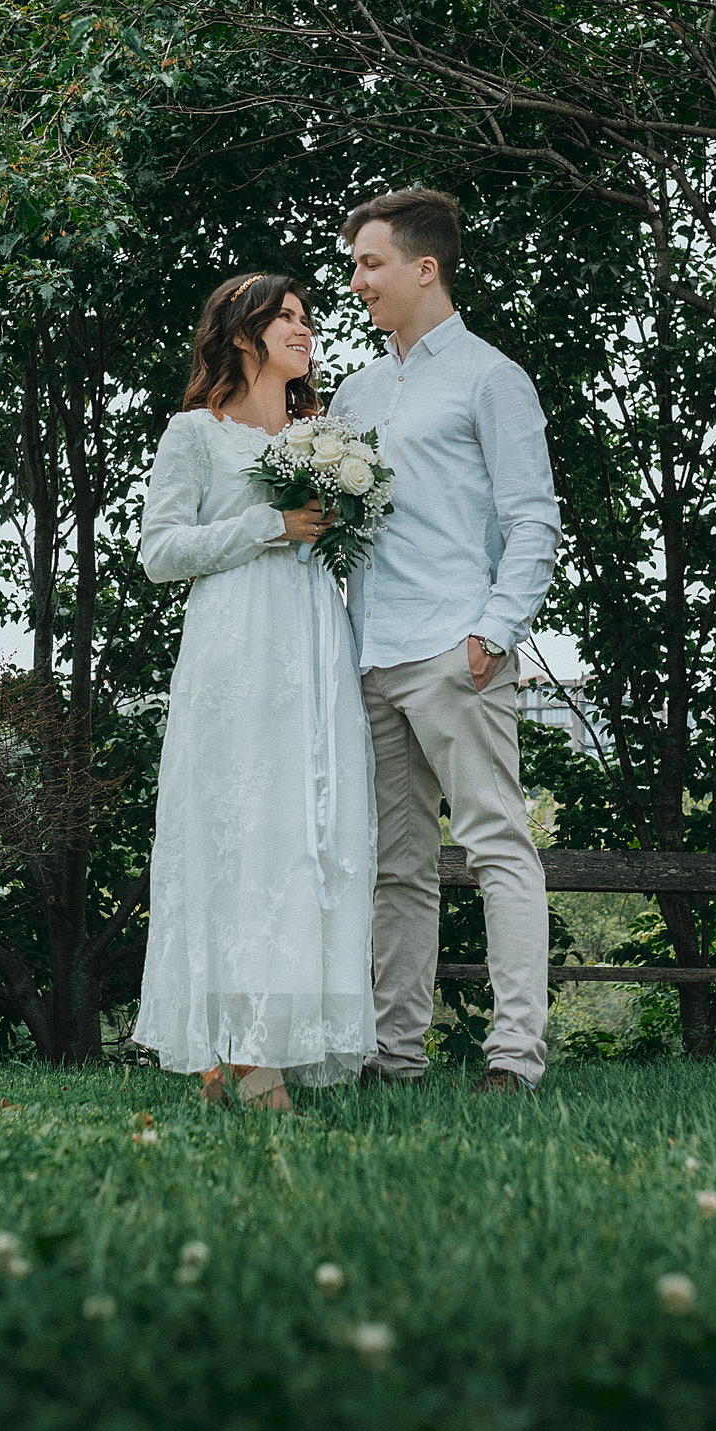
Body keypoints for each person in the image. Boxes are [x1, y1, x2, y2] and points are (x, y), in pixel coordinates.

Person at [331, 189, 562, 1096]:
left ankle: (514, 1058)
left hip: (454, 652)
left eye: (370, 265)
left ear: (425, 268)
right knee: (398, 868)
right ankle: (398, 1057)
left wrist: (494, 632)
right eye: (355, 265)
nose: (357, 283)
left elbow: (533, 520)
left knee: (499, 846)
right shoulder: (353, 392)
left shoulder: (490, 378)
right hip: (371, 655)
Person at [132, 273, 376, 1110]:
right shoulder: (194, 434)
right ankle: (239, 1055)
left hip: (312, 648)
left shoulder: (326, 434)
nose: (305, 330)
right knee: (238, 837)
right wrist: (269, 525)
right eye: (288, 318)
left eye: (308, 318)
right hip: (235, 651)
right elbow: (159, 552)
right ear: (242, 334)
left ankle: (257, 1045)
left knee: (303, 837)